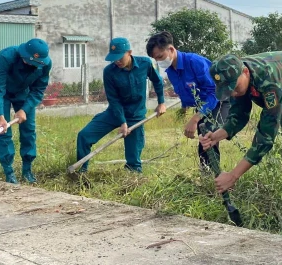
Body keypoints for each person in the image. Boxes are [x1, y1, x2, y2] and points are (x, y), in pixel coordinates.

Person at [200, 52, 282, 222]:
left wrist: (233, 175)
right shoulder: (237, 80)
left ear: (245, 72)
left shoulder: (269, 80)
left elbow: (266, 137)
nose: (234, 94)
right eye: (228, 90)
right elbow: (238, 116)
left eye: (234, 88)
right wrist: (216, 136)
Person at [76, 37, 166, 174]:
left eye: (119, 57)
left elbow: (158, 82)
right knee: (84, 135)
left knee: (134, 158)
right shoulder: (109, 72)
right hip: (115, 113)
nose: (117, 61)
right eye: (114, 58)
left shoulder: (145, 63)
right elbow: (114, 100)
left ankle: (133, 176)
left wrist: (161, 103)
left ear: (129, 52)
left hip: (136, 115)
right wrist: (122, 122)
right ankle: (81, 172)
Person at [146, 31, 227, 168]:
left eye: (160, 56)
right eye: (156, 59)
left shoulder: (195, 62)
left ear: (171, 49)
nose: (159, 61)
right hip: (204, 104)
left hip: (220, 100)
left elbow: (214, 93)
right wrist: (184, 109)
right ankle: (207, 175)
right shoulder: (171, 71)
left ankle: (213, 177)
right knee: (204, 140)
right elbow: (186, 92)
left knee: (207, 137)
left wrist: (195, 119)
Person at [0, 38, 51, 184]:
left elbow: (39, 89)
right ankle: (9, 172)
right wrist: (0, 116)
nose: (32, 65)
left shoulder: (45, 64)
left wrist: (25, 109)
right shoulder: (6, 56)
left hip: (23, 93)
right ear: (23, 55)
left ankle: (27, 169)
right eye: (29, 61)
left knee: (29, 130)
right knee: (3, 131)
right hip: (1, 94)